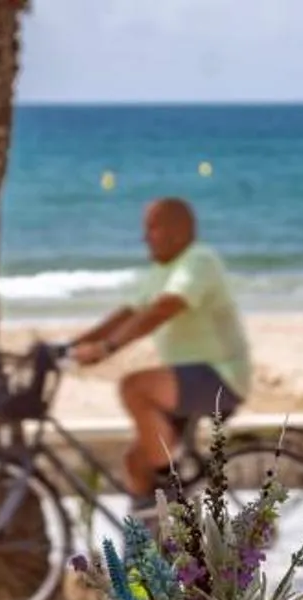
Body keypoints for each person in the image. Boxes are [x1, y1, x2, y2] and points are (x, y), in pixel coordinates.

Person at [67, 197, 251, 512]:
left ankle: (172, 483)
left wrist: (108, 348)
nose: (145, 237)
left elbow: (164, 308)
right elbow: (128, 313)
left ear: (178, 231)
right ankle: (146, 541)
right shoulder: (161, 271)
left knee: (135, 387)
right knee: (136, 463)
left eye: (152, 228)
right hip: (187, 380)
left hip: (219, 377)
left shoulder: (198, 260)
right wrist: (70, 346)